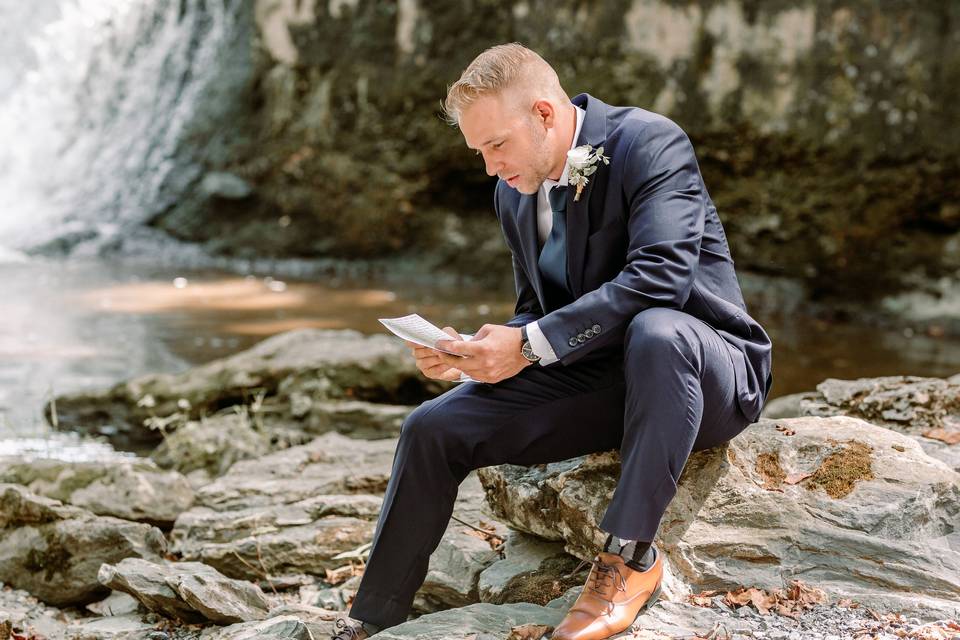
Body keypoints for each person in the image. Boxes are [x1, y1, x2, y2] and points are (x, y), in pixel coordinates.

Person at [330, 42, 772, 640]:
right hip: (601, 378)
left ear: (543, 114)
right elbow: (537, 312)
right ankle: (372, 618)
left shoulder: (651, 143)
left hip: (704, 370)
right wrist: (482, 350)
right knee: (431, 428)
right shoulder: (512, 191)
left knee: (656, 330)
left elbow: (661, 278)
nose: (489, 167)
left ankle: (631, 558)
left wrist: (531, 343)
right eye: (478, 151)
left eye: (496, 145)